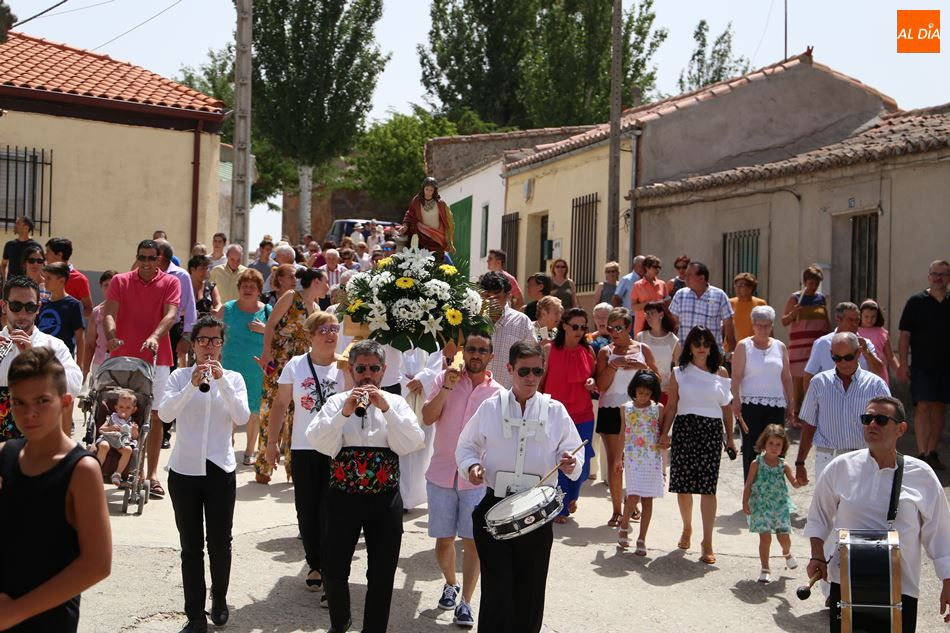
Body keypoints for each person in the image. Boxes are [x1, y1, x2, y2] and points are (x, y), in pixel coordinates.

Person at [455, 340, 583, 633]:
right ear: (510, 369)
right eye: (524, 371)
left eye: (537, 371)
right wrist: (471, 467)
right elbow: (465, 447)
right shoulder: (490, 408)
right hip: (494, 507)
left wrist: (569, 463)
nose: (531, 378)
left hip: (537, 515)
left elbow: (576, 458)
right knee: (497, 591)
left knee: (530, 591)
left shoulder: (555, 411)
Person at [306, 339, 425, 633]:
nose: (367, 375)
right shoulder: (337, 401)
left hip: (384, 501)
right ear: (351, 370)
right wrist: (344, 412)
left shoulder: (395, 402)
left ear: (383, 371)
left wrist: (386, 408)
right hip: (342, 499)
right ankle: (340, 621)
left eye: (374, 369)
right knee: (333, 570)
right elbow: (317, 440)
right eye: (361, 369)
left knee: (382, 574)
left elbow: (412, 441)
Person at [804, 396, 950, 632]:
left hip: (900, 590)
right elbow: (818, 517)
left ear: (901, 429)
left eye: (881, 420)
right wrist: (817, 555)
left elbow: (941, 533)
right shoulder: (840, 467)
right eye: (867, 418)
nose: (872, 424)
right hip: (846, 586)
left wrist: (947, 579)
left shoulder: (921, 474)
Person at [0, 348, 111, 632]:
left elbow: (98, 563)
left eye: (42, 401)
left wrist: (15, 612)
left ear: (65, 402)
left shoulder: (81, 470)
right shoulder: (6, 455)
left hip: (48, 621)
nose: (30, 413)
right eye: (19, 403)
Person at [158, 315, 250, 633]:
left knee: (220, 542)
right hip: (184, 471)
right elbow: (166, 414)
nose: (209, 347)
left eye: (215, 341)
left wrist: (221, 381)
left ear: (222, 345)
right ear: (193, 344)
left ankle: (220, 599)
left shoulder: (234, 378)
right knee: (191, 546)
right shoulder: (179, 376)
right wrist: (191, 386)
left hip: (220, 470)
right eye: (203, 340)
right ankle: (195, 614)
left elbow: (242, 415)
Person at [420, 331, 501, 627]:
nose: (476, 355)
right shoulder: (445, 378)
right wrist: (446, 390)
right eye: (472, 350)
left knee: (473, 543)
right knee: (444, 542)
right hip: (442, 473)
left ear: (490, 356)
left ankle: (466, 602)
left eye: (482, 351)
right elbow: (427, 417)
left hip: (476, 480)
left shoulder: (499, 394)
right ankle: (450, 583)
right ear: (464, 352)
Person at [263, 311, 344, 598]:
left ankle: (332, 570)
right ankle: (315, 564)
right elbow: (280, 405)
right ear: (310, 335)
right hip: (304, 447)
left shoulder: (346, 366)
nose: (330, 334)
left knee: (333, 512)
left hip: (337, 450)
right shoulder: (296, 366)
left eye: (334, 328)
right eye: (323, 329)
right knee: (307, 510)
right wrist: (272, 445)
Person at [103, 239, 181, 499]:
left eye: (151, 258)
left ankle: (152, 474)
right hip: (122, 358)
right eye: (142, 258)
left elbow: (170, 314)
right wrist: (112, 335)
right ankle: (125, 470)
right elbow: (110, 313)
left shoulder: (171, 282)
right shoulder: (120, 281)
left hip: (157, 358)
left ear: (159, 259)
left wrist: (156, 337)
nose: (147, 263)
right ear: (137, 258)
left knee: (155, 417)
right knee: (123, 413)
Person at [658, 325, 735, 565]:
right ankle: (687, 528)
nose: (702, 347)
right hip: (685, 428)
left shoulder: (720, 372)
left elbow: (727, 408)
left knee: (708, 488)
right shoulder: (679, 372)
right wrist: (664, 433)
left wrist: (730, 438)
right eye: (697, 343)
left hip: (711, 431)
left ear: (712, 347)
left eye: (706, 343)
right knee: (683, 486)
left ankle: (708, 541)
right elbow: (671, 406)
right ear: (689, 347)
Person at [254, 268, 327, 484]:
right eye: (324, 282)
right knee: (270, 409)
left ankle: (294, 468)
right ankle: (264, 466)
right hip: (279, 360)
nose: (327, 287)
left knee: (298, 413)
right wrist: (266, 352)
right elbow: (271, 324)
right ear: (314, 282)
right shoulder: (290, 296)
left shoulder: (316, 308)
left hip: (302, 365)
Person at [794, 332, 890, 486]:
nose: (843, 362)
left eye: (848, 357)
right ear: (831, 355)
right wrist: (800, 463)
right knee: (829, 509)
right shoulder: (818, 383)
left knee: (862, 509)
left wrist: (887, 462)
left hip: (864, 459)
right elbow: (809, 425)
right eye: (837, 358)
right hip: (828, 460)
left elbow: (888, 427)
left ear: (858, 353)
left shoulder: (876, 385)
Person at [595, 307, 658, 526]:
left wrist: (643, 367)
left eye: (618, 327)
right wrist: (614, 365)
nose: (613, 332)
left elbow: (657, 380)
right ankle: (616, 510)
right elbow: (601, 385)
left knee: (634, 461)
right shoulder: (605, 352)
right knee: (615, 462)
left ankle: (632, 504)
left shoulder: (643, 349)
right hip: (612, 409)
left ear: (629, 327)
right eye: (610, 328)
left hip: (638, 411)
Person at [0, 276, 83, 440]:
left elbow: (73, 386)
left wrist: (35, 357)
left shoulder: (54, 346)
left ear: (38, 308)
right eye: (16, 306)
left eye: (30, 307)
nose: (23, 314)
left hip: (38, 437)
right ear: (4, 306)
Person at [541, 307, 596, 523]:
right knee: (560, 460)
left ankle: (572, 498)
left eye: (583, 327)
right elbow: (540, 381)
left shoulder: (589, 351)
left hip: (583, 414)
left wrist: (593, 383)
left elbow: (595, 378)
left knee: (582, 465)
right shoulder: (549, 349)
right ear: (564, 325)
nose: (580, 331)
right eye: (575, 326)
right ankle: (560, 507)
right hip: (556, 414)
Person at [729, 305, 795, 481]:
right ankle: (751, 492)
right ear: (753, 324)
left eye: (767, 325)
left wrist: (791, 402)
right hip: (751, 405)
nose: (763, 329)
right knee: (753, 448)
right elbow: (735, 376)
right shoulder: (744, 346)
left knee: (776, 448)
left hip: (776, 404)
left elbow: (786, 377)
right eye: (759, 325)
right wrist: (736, 401)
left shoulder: (780, 347)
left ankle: (773, 490)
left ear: (772, 326)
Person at [898, 259, 950, 470]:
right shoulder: (916, 301)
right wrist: (902, 363)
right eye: (935, 273)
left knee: (939, 407)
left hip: (947, 367)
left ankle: (932, 452)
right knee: (923, 406)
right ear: (929, 276)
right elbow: (904, 336)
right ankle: (920, 454)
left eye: (943, 274)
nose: (938, 277)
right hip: (922, 365)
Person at [217, 269, 270, 465]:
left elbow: (278, 337)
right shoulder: (227, 309)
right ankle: (226, 446)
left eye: (252, 287)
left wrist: (265, 329)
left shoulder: (267, 311)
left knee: (254, 410)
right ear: (238, 289)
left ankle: (249, 450)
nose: (248, 290)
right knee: (227, 406)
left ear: (259, 291)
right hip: (230, 365)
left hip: (256, 368)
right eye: (244, 286)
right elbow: (214, 333)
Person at [742, 424, 801, 584]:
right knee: (765, 539)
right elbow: (748, 484)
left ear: (783, 447)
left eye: (778, 444)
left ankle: (787, 553)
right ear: (764, 444)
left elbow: (794, 483)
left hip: (779, 507)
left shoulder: (784, 465)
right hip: (761, 506)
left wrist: (801, 481)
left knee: (784, 538)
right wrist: (745, 502)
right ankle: (765, 568)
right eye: (771, 443)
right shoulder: (757, 463)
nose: (774, 448)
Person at [617, 370, 665, 556]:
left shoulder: (658, 408)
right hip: (632, 458)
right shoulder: (625, 408)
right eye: (640, 392)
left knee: (648, 499)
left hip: (652, 459)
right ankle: (624, 526)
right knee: (633, 495)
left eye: (647, 393)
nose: (643, 396)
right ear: (634, 390)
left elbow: (662, 434)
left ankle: (642, 538)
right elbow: (622, 433)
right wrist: (617, 458)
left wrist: (663, 461)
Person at [802, 302, 883, 395]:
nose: (854, 324)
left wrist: (866, 352)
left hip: (860, 399)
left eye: (857, 320)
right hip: (830, 399)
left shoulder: (866, 344)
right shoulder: (822, 343)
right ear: (838, 319)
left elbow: (878, 370)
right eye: (850, 320)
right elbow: (809, 374)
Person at [781, 265, 831, 417]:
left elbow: (825, 319)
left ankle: (813, 412)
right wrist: (792, 314)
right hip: (800, 345)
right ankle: (797, 413)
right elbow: (784, 321)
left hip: (817, 344)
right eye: (811, 283)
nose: (813, 286)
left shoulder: (821, 298)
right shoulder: (795, 298)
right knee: (799, 377)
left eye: (816, 283)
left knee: (816, 376)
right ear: (804, 282)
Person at [480, 272, 534, 390]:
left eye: (496, 297)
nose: (491, 302)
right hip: (476, 396)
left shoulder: (522, 322)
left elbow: (533, 360)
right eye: (487, 296)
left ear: (508, 296)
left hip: (509, 396)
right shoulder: (474, 320)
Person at [669, 261, 736, 354]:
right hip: (684, 352)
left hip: (711, 353)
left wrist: (732, 349)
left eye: (689, 275)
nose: (685, 277)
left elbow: (728, 324)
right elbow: (672, 323)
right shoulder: (680, 295)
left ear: (701, 278)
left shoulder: (719, 296)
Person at [38, 262, 85, 361]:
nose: (45, 281)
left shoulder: (73, 305)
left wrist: (79, 365)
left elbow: (80, 338)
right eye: (45, 277)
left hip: (62, 360)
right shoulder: (42, 304)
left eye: (49, 278)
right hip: (42, 359)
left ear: (61, 281)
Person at [94, 388, 139, 487]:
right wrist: (110, 427)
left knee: (128, 450)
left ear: (134, 409)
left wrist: (134, 431)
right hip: (108, 439)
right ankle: (96, 471)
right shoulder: (112, 418)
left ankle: (117, 474)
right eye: (121, 407)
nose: (124, 410)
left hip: (122, 442)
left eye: (128, 408)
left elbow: (135, 438)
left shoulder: (132, 423)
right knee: (104, 446)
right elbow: (101, 429)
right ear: (116, 408)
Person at [401, 176, 455, 258]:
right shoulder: (416, 201)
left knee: (437, 258)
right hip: (422, 234)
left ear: (434, 191)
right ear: (423, 188)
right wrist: (405, 225)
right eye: (427, 189)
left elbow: (447, 220)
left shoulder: (440, 204)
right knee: (422, 257)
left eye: (431, 190)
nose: (428, 192)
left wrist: (448, 238)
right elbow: (410, 214)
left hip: (437, 236)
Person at [637, 301, 680, 403]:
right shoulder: (640, 337)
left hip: (665, 390)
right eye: (647, 313)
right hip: (643, 390)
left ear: (661, 314)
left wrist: (673, 386)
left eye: (652, 313)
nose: (648, 316)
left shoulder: (673, 340)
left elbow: (678, 367)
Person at [81, 271, 117, 387]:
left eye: (113, 285)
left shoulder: (127, 310)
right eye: (106, 285)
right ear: (101, 287)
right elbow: (90, 344)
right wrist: (85, 371)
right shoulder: (97, 312)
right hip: (100, 365)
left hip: (121, 365)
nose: (110, 288)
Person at [44, 238, 93, 319]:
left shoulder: (79, 279)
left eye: (48, 252)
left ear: (59, 255)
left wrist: (70, 320)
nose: (45, 255)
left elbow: (88, 309)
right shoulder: (44, 274)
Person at [858, 299, 899, 386]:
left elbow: (890, 356)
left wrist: (899, 370)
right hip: (859, 374)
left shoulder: (882, 333)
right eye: (866, 316)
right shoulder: (854, 331)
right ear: (860, 316)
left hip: (878, 373)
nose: (870, 320)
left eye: (873, 317)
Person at [630, 254, 667, 334]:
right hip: (642, 326)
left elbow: (667, 304)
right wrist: (648, 304)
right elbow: (634, 306)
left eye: (659, 267)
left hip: (659, 326)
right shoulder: (637, 285)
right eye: (655, 267)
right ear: (647, 267)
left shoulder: (662, 284)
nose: (657, 270)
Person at [728, 272, 767, 347]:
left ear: (750, 288)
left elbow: (767, 325)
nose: (737, 288)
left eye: (741, 285)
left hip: (754, 346)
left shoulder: (760, 304)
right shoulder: (730, 303)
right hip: (733, 347)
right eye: (736, 285)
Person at [1, 216, 40, 282]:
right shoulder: (9, 245)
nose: (15, 225)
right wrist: (4, 280)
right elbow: (3, 264)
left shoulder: (35, 246)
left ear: (26, 227)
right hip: (12, 285)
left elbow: (40, 266)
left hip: (28, 285)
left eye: (18, 223)